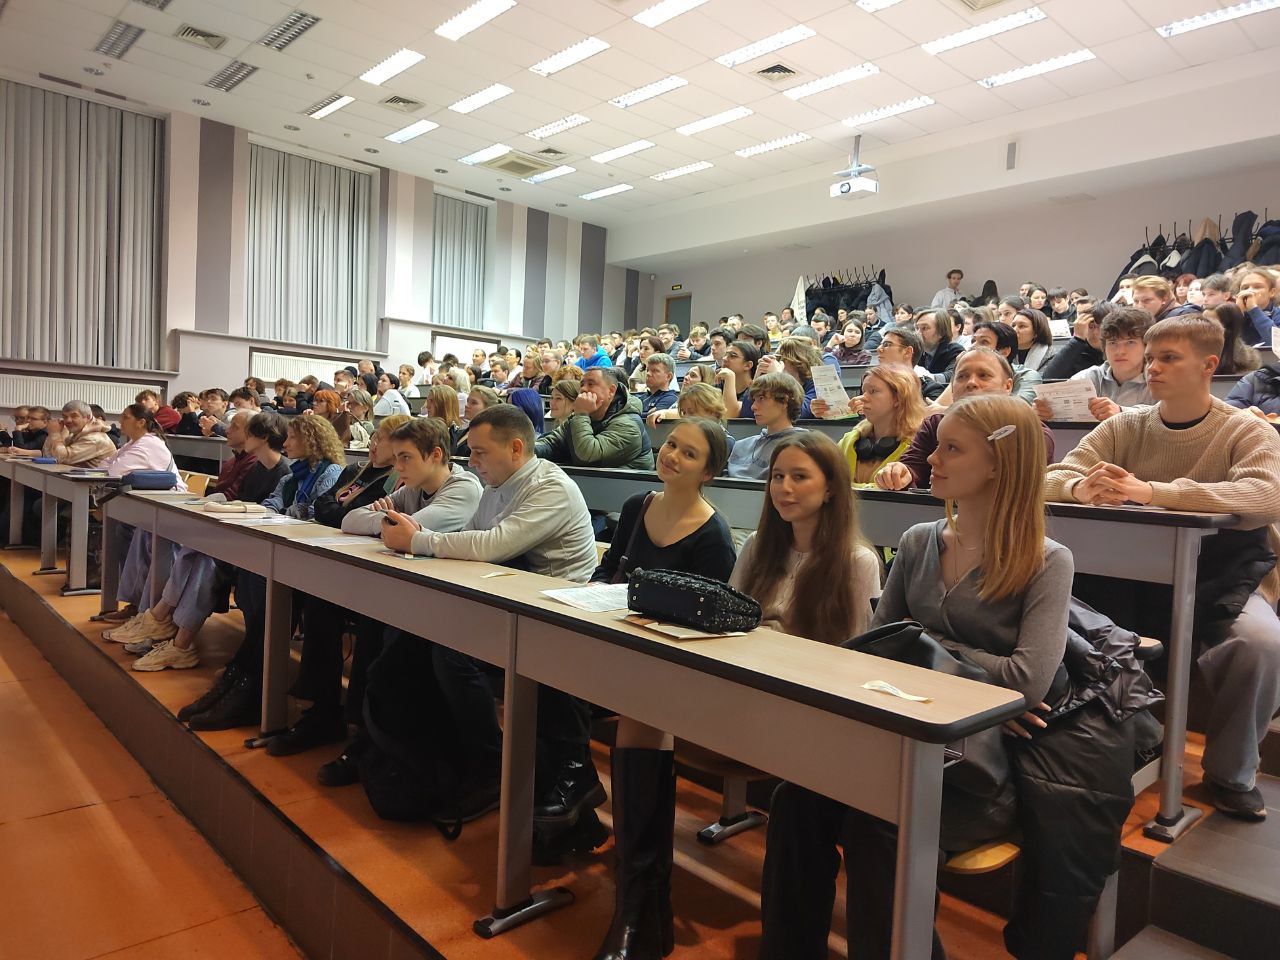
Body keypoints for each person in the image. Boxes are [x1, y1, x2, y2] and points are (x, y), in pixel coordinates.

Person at [759, 396, 1081, 960]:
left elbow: (1026, 682)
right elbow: (877, 650)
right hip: (898, 735)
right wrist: (956, 661)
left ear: (999, 465)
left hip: (975, 761)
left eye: (951, 448)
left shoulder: (1046, 560)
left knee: (881, 824)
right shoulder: (917, 541)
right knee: (795, 800)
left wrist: (924, 644)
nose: (931, 458)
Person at [1045, 316, 1280, 821]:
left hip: (1223, 575)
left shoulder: (1244, 429)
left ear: (1209, 365)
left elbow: (1264, 496)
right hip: (1125, 575)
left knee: (1262, 644)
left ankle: (1232, 772)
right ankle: (1112, 747)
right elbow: (1050, 477)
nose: (1153, 368)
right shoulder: (1124, 426)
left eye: (1169, 358)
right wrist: (1078, 487)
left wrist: (1154, 492)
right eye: (1150, 358)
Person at [405, 404, 604, 843]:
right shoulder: (495, 487)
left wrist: (418, 540)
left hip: (564, 615)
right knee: (417, 638)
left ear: (516, 448)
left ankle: (493, 768)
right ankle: (467, 763)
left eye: (480, 452)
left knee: (453, 656)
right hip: (516, 604)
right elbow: (471, 539)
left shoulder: (550, 486)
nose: (472, 462)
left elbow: (493, 544)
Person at [588, 419, 736, 957]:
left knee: (640, 715)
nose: (671, 455)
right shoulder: (637, 506)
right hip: (621, 648)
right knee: (544, 678)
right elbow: (608, 574)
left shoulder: (713, 536)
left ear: (709, 473)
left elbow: (702, 625)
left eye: (688, 454)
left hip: (672, 667)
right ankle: (571, 808)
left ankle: (640, 902)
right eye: (671, 444)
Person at [181, 416, 346, 729]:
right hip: (289, 556)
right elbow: (271, 505)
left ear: (311, 441)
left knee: (268, 599)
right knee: (258, 591)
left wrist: (281, 513)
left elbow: (317, 514)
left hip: (314, 564)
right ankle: (239, 682)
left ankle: (245, 688)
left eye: (292, 438)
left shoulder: (330, 472)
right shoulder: (293, 475)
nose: (286, 443)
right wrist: (251, 510)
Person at [122, 411, 290, 672]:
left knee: (203, 559)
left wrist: (230, 507)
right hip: (241, 539)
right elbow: (242, 501)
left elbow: (269, 511)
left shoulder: (283, 471)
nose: (241, 436)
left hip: (258, 546)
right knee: (198, 553)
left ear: (264, 437)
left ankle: (164, 624)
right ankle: (174, 637)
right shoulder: (257, 468)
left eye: (247, 432)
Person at [876, 349, 1056, 490]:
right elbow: (912, 467)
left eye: (983, 375)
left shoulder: (1031, 432)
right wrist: (899, 473)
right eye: (962, 376)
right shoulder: (935, 424)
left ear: (1008, 386)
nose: (971, 383)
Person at [1034, 307, 1153, 422]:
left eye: (1130, 342)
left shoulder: (1156, 378)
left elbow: (1162, 415)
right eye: (1113, 343)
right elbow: (1053, 402)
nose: (1120, 351)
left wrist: (1122, 412)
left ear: (1146, 346)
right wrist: (1042, 411)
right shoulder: (1090, 376)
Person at [536, 367, 654, 470]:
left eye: (591, 384)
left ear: (611, 391)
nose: (583, 389)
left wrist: (581, 414)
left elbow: (587, 456)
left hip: (625, 487)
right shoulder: (583, 416)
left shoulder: (628, 425)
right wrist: (529, 451)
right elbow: (554, 442)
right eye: (582, 384)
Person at [833, 365, 928, 486]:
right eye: (863, 391)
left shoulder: (918, 448)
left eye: (873, 391)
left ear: (898, 398)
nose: (863, 398)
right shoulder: (848, 441)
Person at [726, 373, 807, 480]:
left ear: (784, 401)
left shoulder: (802, 446)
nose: (753, 407)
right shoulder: (741, 445)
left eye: (761, 398)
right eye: (754, 400)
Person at [1040, 301, 1115, 380]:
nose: (1096, 332)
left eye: (1102, 327)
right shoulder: (1076, 349)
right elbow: (1048, 378)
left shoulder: (1120, 350)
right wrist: (1077, 339)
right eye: (1091, 326)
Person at [42, 401, 116, 466]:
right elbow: (48, 456)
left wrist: (55, 434)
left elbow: (61, 458)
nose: (68, 420)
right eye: (65, 417)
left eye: (74, 416)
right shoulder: (75, 434)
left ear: (88, 417)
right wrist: (57, 433)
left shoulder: (95, 438)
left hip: (96, 478)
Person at [1207, 302, 1261, 376]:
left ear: (1228, 328)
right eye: (1201, 320)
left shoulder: (1248, 362)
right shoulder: (1195, 355)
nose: (1202, 326)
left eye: (1210, 323)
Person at [775, 337, 821, 419]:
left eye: (781, 359)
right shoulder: (773, 380)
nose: (777, 363)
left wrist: (780, 378)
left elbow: (799, 413)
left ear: (797, 362)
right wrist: (757, 376)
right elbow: (751, 411)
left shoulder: (817, 381)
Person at [715, 340, 759, 419]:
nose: (724, 359)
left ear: (748, 365)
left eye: (732, 356)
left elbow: (728, 417)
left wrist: (730, 377)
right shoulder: (716, 387)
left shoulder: (756, 392)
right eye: (725, 354)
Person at [916, 308, 964, 379]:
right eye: (917, 328)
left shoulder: (956, 351)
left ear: (941, 332)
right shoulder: (918, 351)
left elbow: (952, 376)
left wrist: (924, 376)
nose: (918, 333)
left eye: (924, 328)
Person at [1237, 266, 1280, 344]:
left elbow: (1277, 343)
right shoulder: (1227, 314)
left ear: (1271, 292)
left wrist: (1254, 310)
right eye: (1245, 288)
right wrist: (1236, 314)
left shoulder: (1277, 314)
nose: (1250, 291)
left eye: (1257, 287)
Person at [457, 385, 503, 456]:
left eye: (474, 403)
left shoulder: (489, 437)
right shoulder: (464, 431)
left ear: (488, 408)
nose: (466, 405)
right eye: (467, 401)